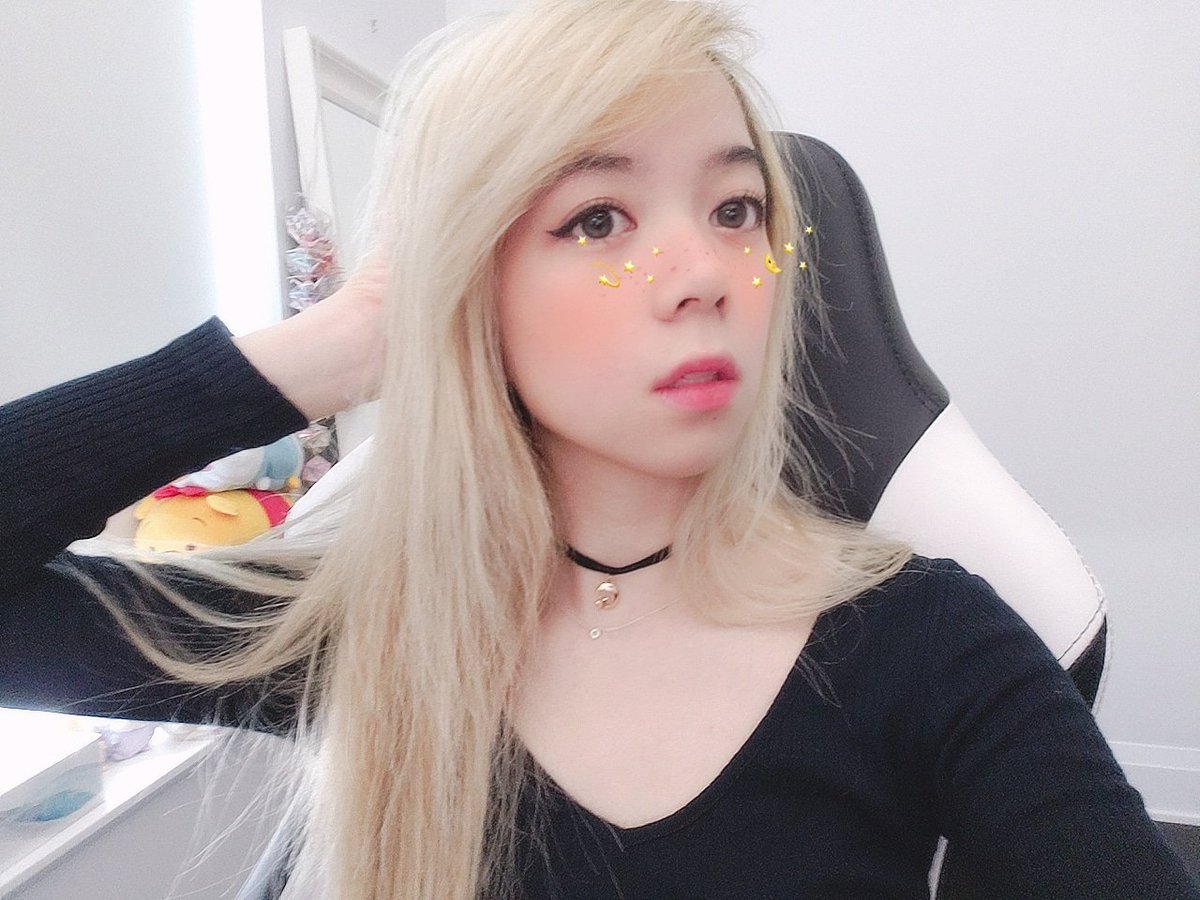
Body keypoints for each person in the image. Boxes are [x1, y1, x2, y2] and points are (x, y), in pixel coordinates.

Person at [2, 1, 1196, 898]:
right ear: (471, 283)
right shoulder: (370, 631)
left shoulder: (933, 644)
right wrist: (335, 345)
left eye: (736, 211)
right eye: (598, 218)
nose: (706, 273)